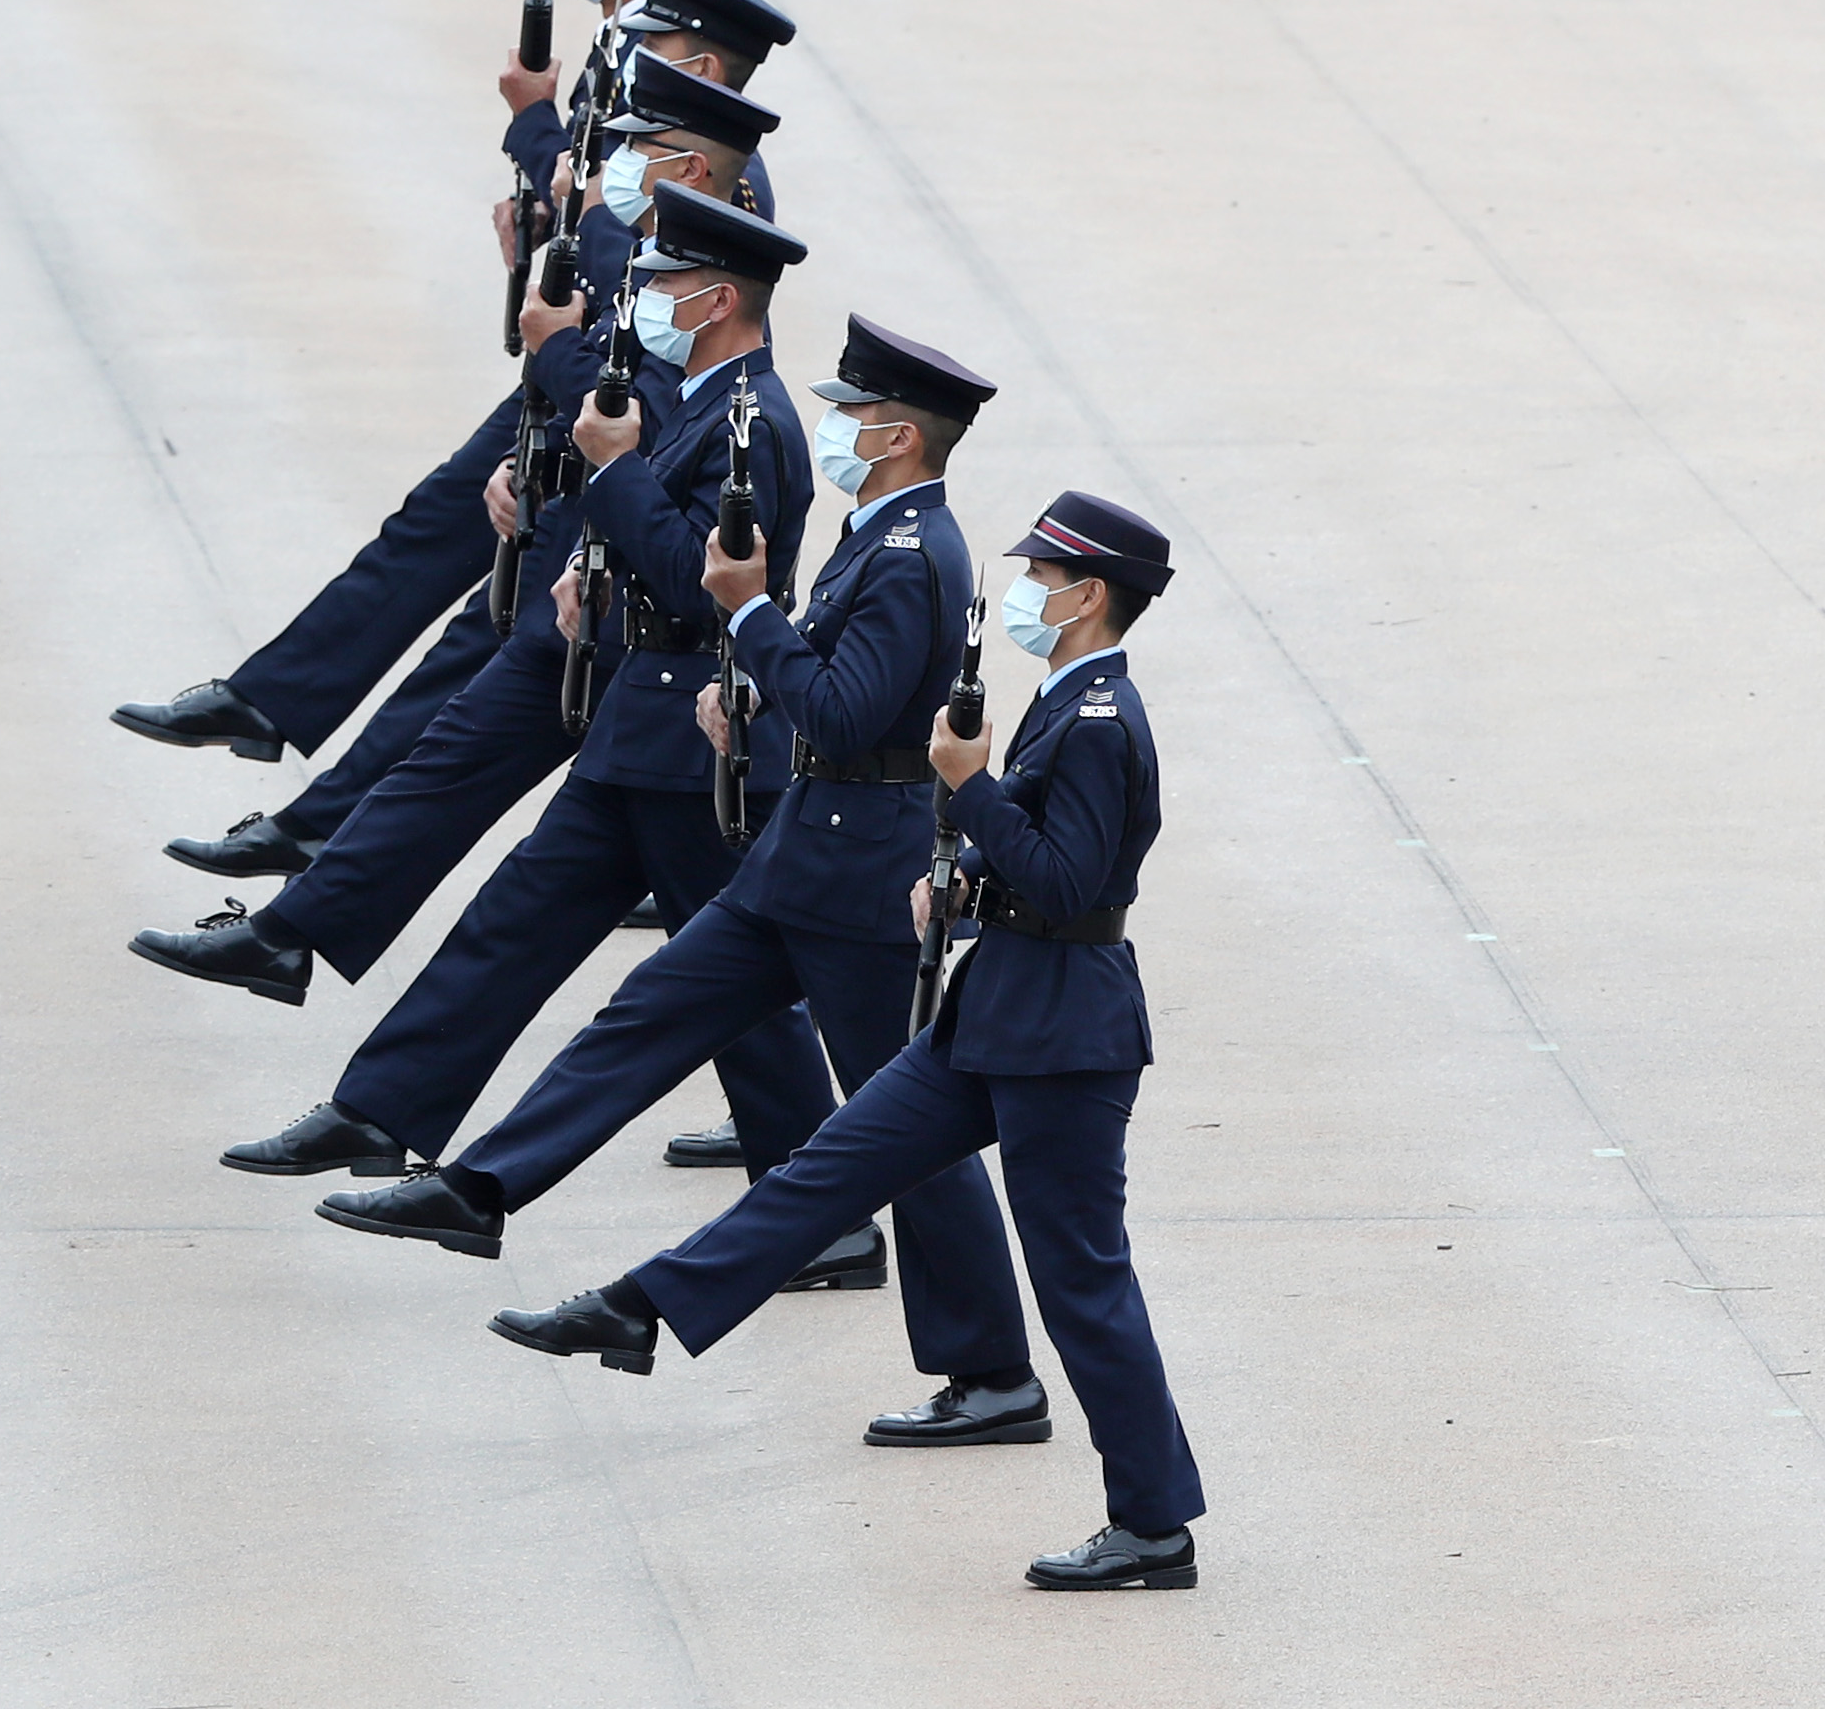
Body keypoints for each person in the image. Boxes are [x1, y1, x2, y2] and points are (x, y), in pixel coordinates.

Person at [316, 303, 1045, 1446]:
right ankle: (482, 1189)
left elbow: (846, 713)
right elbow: (838, 687)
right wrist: (747, 689)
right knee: (643, 1015)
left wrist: (747, 616)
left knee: (906, 1133)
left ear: (901, 435)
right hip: (807, 850)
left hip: (861, 878)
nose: (839, 429)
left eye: (856, 414)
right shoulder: (880, 532)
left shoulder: (915, 554)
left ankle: (994, 1374)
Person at [498, 493, 1208, 1593]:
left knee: (1082, 1282)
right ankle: (642, 1308)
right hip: (998, 1012)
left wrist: (969, 790)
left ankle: (1154, 1527)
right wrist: (964, 882)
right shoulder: (1068, 699)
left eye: (1042, 577)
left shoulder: (1105, 719)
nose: (1026, 592)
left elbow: (1074, 882)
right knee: (825, 1170)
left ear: (1089, 596)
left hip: (1064, 1038)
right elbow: (1041, 858)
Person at [216, 129, 849, 1267]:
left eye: (666, 280)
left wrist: (609, 472)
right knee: (514, 922)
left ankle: (826, 1222)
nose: (646, 295)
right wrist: (568, 510)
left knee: (738, 998)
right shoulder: (704, 403)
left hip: (695, 743)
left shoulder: (756, 425)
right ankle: (381, 1111)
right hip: (638, 717)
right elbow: (647, 526)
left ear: (716, 300)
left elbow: (706, 586)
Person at [118, 0, 754, 864]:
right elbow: (591, 217)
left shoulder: (704, 137)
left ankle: (321, 825)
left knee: (495, 637)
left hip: (609, 402)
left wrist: (535, 125)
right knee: (432, 536)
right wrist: (542, 210)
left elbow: (635, 253)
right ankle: (273, 704)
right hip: (571, 374)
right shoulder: (626, 59)